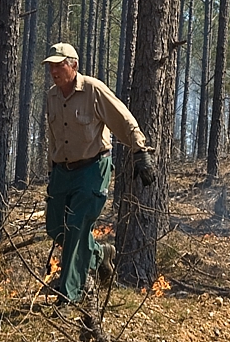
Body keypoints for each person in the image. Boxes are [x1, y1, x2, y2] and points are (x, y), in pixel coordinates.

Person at [41, 41, 155, 303]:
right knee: (56, 227)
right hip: (62, 171)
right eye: (51, 67)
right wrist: (51, 171)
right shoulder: (52, 96)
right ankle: (99, 254)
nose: (54, 72)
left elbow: (123, 119)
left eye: (59, 66)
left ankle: (69, 294)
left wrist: (140, 151)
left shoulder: (93, 90)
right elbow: (52, 137)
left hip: (92, 169)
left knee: (77, 226)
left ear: (74, 66)